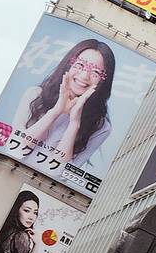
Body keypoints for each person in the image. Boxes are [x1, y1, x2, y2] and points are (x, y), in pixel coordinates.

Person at [12, 38, 115, 167]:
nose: (84, 76)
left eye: (95, 72)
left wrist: (74, 124)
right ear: (69, 64)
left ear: (104, 80)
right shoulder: (35, 95)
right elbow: (15, 151)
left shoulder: (101, 127)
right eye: (80, 65)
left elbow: (57, 173)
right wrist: (55, 112)